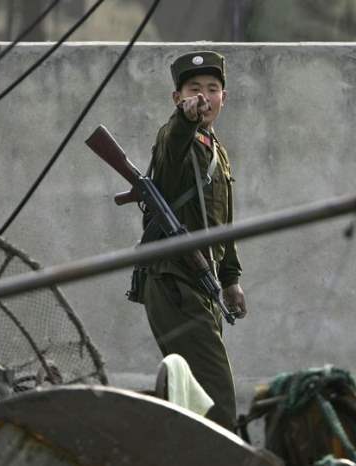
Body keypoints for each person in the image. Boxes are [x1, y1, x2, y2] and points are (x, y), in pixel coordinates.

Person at [142, 50, 247, 431]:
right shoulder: (174, 136)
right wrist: (184, 120)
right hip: (175, 281)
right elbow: (173, 145)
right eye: (194, 90)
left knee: (194, 400)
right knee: (218, 402)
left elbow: (223, 222)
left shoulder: (217, 150)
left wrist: (231, 278)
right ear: (178, 97)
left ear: (224, 97)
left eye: (212, 89)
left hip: (203, 283)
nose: (204, 97)